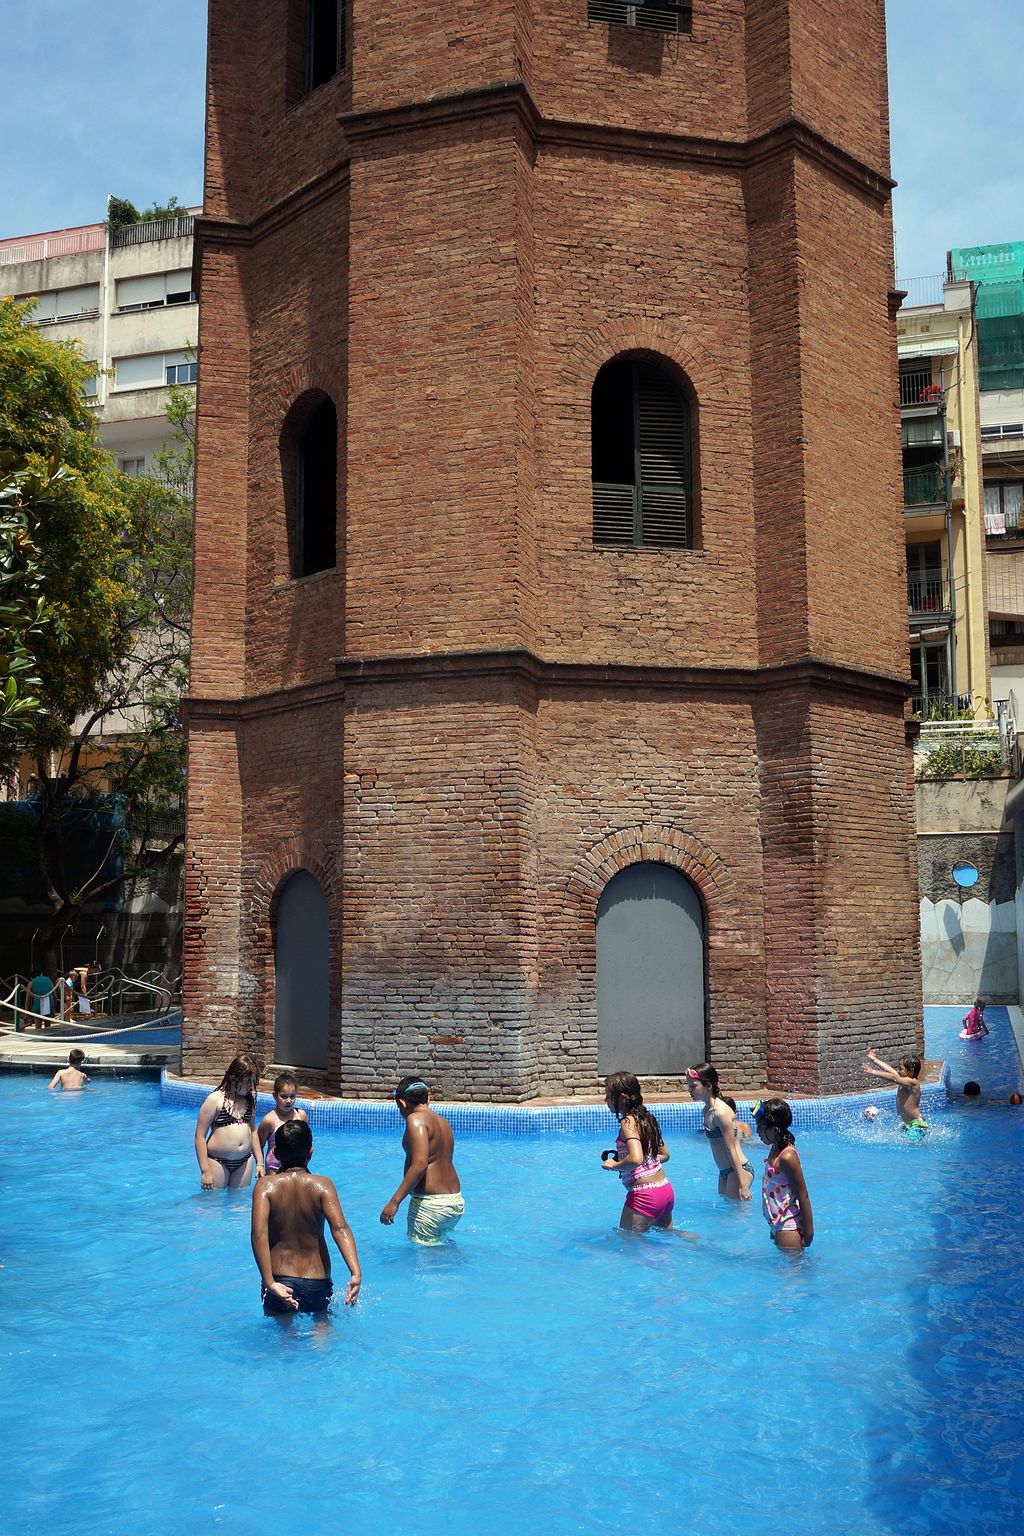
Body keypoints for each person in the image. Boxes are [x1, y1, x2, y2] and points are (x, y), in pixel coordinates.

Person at [251, 1118, 361, 1315]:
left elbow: (258, 1234)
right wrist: (355, 1272)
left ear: (274, 1153)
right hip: (317, 1279)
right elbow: (340, 1229)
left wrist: (269, 1282)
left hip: (278, 1277)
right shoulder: (323, 1185)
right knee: (322, 1329)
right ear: (311, 1151)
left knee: (283, 1338)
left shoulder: (265, 1186)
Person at [380, 1076, 464, 1245]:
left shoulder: (415, 1119)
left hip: (431, 1205)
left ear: (403, 1103)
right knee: (440, 1251)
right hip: (455, 1202)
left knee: (426, 1265)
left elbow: (420, 1164)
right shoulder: (444, 1123)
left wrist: (394, 1202)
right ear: (428, 1098)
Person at [601, 1070, 679, 1233]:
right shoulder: (646, 1118)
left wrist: (615, 1165)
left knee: (627, 1243)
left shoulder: (627, 1122)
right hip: (665, 1190)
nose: (605, 1100)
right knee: (669, 1237)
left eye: (608, 1095)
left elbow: (636, 1159)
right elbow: (664, 1154)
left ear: (621, 1097)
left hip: (645, 1196)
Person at [194, 1053, 265, 1189]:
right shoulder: (215, 1100)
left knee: (238, 1206)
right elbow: (199, 1136)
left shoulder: (249, 1102)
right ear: (234, 1078)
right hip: (217, 1161)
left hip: (245, 1161)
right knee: (213, 1204)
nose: (250, 1086)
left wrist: (260, 1163)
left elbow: (253, 1132)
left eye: (252, 1082)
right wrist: (205, 1171)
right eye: (247, 1081)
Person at [685, 1064, 754, 1200]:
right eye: (689, 1086)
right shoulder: (706, 1110)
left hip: (738, 1169)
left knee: (736, 1216)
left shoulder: (720, 1112)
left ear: (708, 1085)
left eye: (693, 1086)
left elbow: (731, 1149)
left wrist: (743, 1185)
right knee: (727, 1212)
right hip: (724, 1171)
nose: (689, 1090)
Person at [752, 1099, 813, 1250]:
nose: (757, 1131)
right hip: (778, 1223)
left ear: (775, 1129)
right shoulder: (775, 1148)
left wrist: (809, 1232)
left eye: (761, 1127)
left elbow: (803, 1195)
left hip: (788, 1225)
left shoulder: (787, 1156)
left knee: (793, 1273)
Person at [863, 1048, 928, 1136]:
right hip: (906, 1124)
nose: (897, 1070)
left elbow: (894, 1078)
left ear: (911, 1071)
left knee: (909, 1145)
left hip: (917, 1124)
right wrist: (874, 1059)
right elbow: (889, 1070)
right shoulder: (903, 1080)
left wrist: (873, 1071)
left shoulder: (913, 1083)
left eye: (900, 1069)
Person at [258, 1073, 309, 1173]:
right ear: (274, 1096)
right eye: (284, 1096)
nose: (289, 1101)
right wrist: (260, 1165)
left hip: (298, 1166)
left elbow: (306, 1141)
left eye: (292, 1096)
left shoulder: (301, 1116)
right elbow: (259, 1145)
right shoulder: (270, 1120)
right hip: (274, 1167)